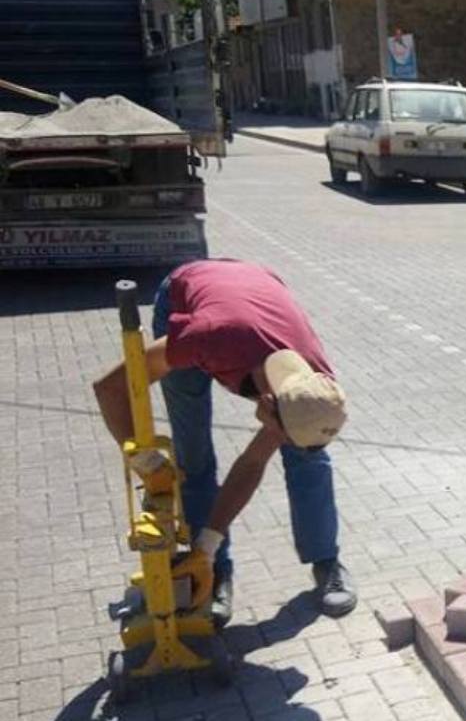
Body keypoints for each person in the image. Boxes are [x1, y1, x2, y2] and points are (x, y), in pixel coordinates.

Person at [92, 259, 356, 627]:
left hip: (257, 288)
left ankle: (324, 561)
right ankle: (214, 572)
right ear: (268, 404)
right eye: (276, 431)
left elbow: (251, 462)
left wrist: (206, 541)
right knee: (192, 457)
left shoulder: (314, 385)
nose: (275, 439)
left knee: (309, 459)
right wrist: (143, 461)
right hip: (189, 295)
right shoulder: (204, 337)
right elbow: (109, 388)